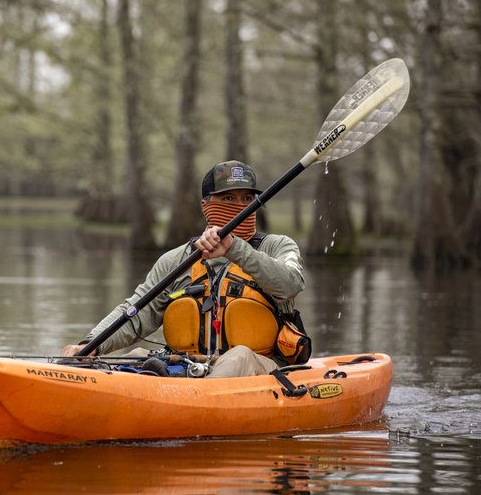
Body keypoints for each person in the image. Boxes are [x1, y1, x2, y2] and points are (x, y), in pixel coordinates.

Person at [61, 160, 306, 378]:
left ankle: (201, 407)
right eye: (229, 199)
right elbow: (137, 312)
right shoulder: (176, 259)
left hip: (259, 369)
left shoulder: (278, 246)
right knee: (136, 355)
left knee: (238, 356)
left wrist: (235, 248)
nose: (240, 206)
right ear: (206, 204)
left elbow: (292, 284)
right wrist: (92, 344)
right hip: (190, 366)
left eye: (247, 199)